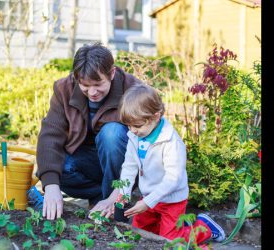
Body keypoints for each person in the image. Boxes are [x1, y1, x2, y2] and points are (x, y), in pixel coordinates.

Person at [90, 84, 226, 244]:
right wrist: (123, 195)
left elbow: (173, 179)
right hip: (148, 196)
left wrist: (147, 203)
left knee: (171, 240)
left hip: (171, 200)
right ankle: (177, 226)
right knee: (141, 232)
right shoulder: (135, 136)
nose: (132, 130)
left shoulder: (171, 142)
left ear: (155, 116)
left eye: (137, 126)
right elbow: (128, 167)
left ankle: (205, 227)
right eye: (128, 126)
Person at [36, 43, 144, 220]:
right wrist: (51, 187)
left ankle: (116, 203)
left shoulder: (132, 89)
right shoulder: (64, 89)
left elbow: (148, 140)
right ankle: (101, 197)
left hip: (122, 163)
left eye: (98, 84)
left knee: (112, 134)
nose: (92, 92)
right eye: (85, 85)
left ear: (112, 73)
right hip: (87, 161)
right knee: (54, 170)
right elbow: (50, 135)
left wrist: (119, 192)